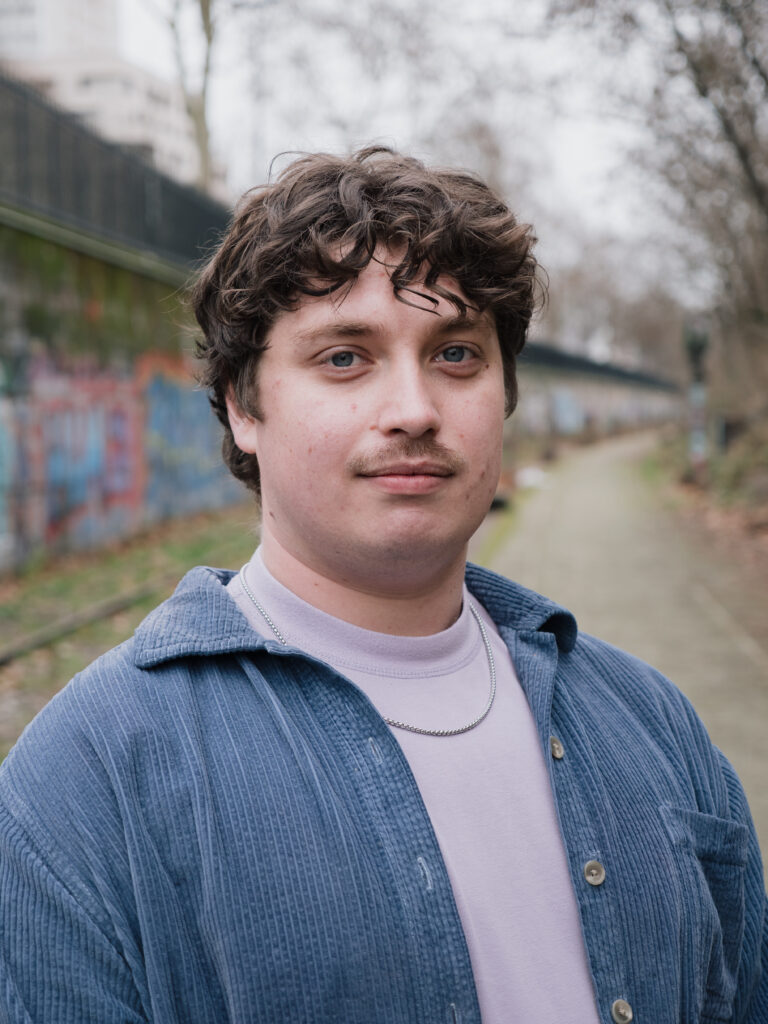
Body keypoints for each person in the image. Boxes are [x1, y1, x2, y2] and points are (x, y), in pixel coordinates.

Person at [0, 146, 765, 1024]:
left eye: (455, 354)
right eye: (344, 359)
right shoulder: (85, 784)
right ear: (245, 408)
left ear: (503, 391)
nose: (414, 408)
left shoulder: (653, 723)